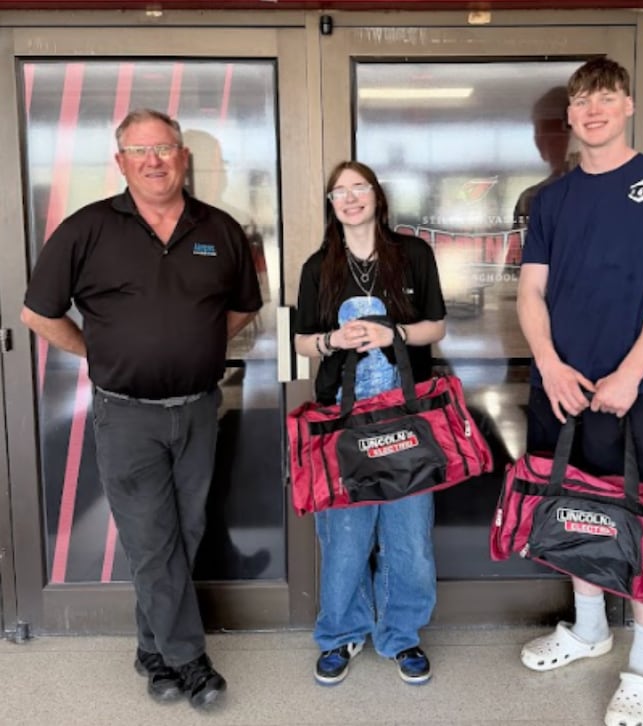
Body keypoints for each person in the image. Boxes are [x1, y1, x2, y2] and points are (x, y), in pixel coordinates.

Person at [21, 108, 262, 709]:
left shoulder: (221, 229)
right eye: (140, 150)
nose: (154, 161)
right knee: (153, 541)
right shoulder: (86, 230)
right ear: (121, 161)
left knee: (184, 533)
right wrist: (98, 352)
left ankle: (151, 654)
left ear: (184, 158)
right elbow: (38, 314)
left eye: (165, 149)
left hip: (200, 409)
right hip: (125, 415)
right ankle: (190, 660)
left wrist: (193, 346)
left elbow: (241, 310)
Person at [515, 58, 643, 726]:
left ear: (627, 106)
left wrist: (630, 372)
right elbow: (530, 291)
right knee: (572, 511)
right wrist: (550, 363)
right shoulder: (551, 201)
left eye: (606, 98)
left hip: (634, 388)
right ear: (569, 117)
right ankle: (589, 629)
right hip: (560, 387)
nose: (593, 110)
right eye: (581, 100)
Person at [294, 160, 446, 686]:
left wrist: (393, 336)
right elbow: (302, 340)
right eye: (339, 191)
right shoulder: (319, 266)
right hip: (342, 417)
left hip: (407, 414)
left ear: (377, 196)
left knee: (409, 536)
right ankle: (340, 633)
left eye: (359, 188)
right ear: (331, 205)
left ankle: (402, 635)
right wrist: (333, 341)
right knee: (345, 535)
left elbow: (437, 326)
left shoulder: (413, 256)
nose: (350, 198)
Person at [512, 85, 573, 230]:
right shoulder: (530, 199)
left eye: (548, 130)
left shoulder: (608, 194)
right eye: (537, 132)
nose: (540, 141)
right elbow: (519, 251)